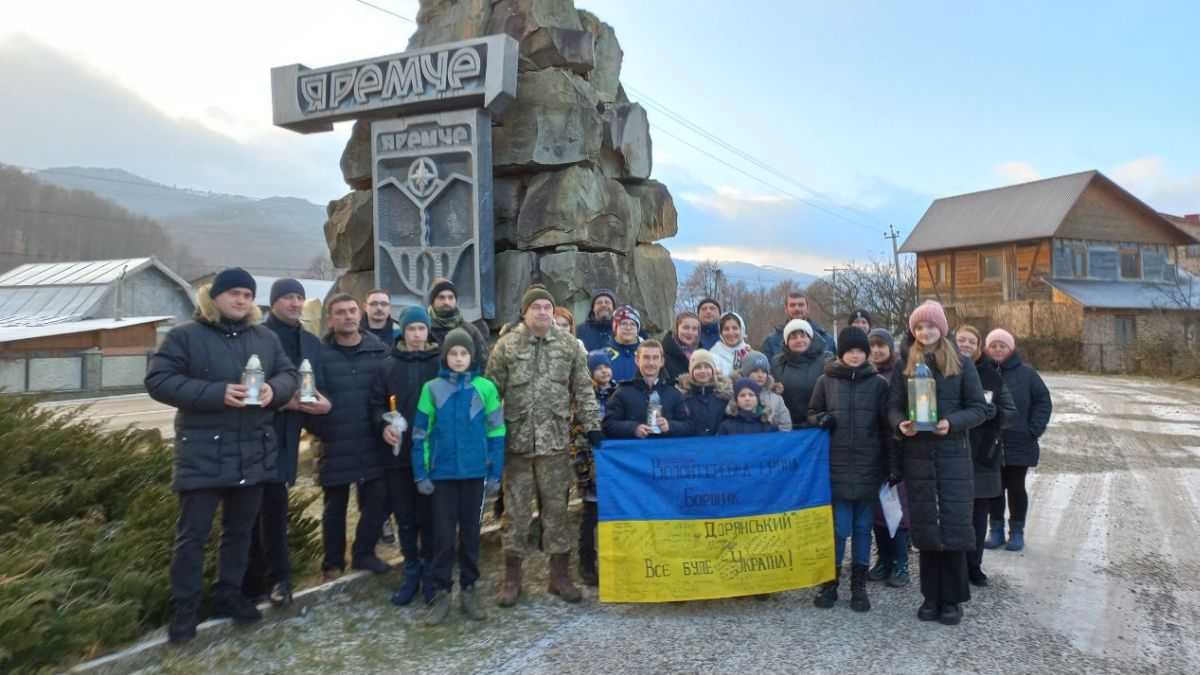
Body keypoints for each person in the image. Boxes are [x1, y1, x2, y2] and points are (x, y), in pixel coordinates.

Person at [145, 268, 298, 645]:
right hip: (203, 452)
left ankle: (228, 593)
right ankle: (185, 607)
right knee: (192, 536)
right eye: (234, 293)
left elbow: (289, 375)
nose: (241, 300)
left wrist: (274, 392)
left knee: (240, 532)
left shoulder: (264, 337)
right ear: (214, 297)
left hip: (252, 451)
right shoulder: (185, 337)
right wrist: (215, 393)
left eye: (247, 294)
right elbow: (158, 380)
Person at [487, 287, 603, 606]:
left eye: (547, 307)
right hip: (517, 446)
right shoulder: (507, 346)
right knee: (516, 514)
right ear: (525, 312)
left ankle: (559, 576)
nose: (542, 311)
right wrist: (489, 434)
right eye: (535, 306)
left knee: (556, 512)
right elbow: (491, 392)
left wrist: (593, 426)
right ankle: (512, 579)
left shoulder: (568, 347)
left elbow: (583, 389)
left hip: (554, 444)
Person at [888, 301, 988, 626]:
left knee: (955, 526)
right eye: (919, 327)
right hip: (918, 456)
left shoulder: (960, 362)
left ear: (941, 329)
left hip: (953, 456)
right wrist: (901, 423)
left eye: (930, 326)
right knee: (927, 527)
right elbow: (892, 407)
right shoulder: (905, 363)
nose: (924, 332)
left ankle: (953, 599)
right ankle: (930, 596)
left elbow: (978, 408)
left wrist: (951, 422)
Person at [242, 278, 327, 609]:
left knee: (276, 509)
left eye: (299, 297)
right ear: (273, 301)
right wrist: (282, 401)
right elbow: (250, 383)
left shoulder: (310, 341)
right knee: (250, 512)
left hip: (289, 434)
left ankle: (277, 580)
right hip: (256, 433)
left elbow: (314, 385)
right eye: (288, 297)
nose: (295, 303)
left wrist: (322, 407)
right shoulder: (257, 336)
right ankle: (255, 583)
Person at [412, 328, 506, 626]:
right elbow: (420, 434)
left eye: (463, 353)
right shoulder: (432, 389)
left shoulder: (486, 388)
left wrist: (494, 472)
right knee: (442, 536)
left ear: (472, 356)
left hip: (475, 474)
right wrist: (420, 473)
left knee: (470, 535)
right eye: (453, 353)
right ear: (446, 356)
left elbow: (497, 432)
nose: (458, 358)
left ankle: (468, 589)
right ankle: (442, 593)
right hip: (442, 476)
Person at [807, 327, 897, 613]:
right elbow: (811, 413)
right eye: (850, 350)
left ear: (867, 354)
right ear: (842, 353)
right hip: (837, 466)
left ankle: (858, 584)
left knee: (862, 528)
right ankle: (830, 581)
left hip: (869, 466)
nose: (855, 355)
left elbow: (887, 429)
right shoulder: (825, 381)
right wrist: (821, 419)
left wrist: (892, 465)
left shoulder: (879, 384)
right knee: (839, 527)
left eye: (860, 350)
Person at [306, 294, 392, 579]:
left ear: (360, 314)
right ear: (330, 319)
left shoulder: (378, 350)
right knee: (334, 508)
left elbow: (386, 396)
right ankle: (332, 563)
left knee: (378, 501)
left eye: (353, 310)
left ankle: (364, 553)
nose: (348, 316)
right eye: (341, 312)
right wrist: (322, 432)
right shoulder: (318, 355)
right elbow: (308, 400)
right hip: (335, 442)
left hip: (371, 442)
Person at [369, 305, 441, 607]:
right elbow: (375, 404)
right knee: (405, 516)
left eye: (421, 329)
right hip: (398, 456)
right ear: (403, 332)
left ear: (427, 332)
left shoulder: (440, 364)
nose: (415, 335)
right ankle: (411, 568)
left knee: (432, 516)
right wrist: (383, 424)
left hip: (431, 455)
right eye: (411, 329)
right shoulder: (387, 366)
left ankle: (431, 571)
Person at [956, 325, 1018, 586]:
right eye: (962, 340)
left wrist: (997, 414)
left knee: (979, 512)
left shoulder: (992, 376)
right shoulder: (945, 368)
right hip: (954, 451)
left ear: (979, 345)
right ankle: (955, 564)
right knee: (956, 511)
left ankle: (974, 565)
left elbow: (1011, 412)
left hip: (983, 453)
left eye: (972, 341)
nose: (966, 345)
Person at [983, 329, 1052, 553]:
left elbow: (1043, 401)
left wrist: (1032, 430)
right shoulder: (981, 373)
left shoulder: (1027, 374)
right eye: (994, 346)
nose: (998, 349)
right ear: (986, 349)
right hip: (989, 443)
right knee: (993, 489)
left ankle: (1017, 532)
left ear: (1011, 348)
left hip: (1019, 442)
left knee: (1015, 488)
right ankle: (995, 530)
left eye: (1003, 345)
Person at [864, 328, 911, 588]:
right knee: (877, 512)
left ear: (890, 348)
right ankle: (883, 559)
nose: (876, 350)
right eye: (871, 346)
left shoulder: (899, 373)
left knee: (897, 509)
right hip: (871, 451)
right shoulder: (863, 375)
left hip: (895, 448)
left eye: (881, 345)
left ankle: (900, 561)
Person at [574, 350, 619, 586]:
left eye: (606, 366)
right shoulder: (583, 396)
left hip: (616, 466)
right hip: (591, 464)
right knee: (590, 516)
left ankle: (615, 562)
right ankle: (586, 564)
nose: (604, 371)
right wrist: (582, 469)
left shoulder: (619, 391)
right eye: (598, 367)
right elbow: (576, 433)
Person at [603, 340, 693, 439]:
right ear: (637, 360)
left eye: (655, 358)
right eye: (646, 357)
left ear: (662, 361)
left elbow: (688, 426)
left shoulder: (674, 393)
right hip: (635, 452)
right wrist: (633, 428)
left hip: (665, 452)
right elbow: (608, 425)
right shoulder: (623, 392)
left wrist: (670, 426)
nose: (651, 363)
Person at [771, 319, 834, 428]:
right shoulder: (777, 363)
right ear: (787, 342)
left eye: (803, 336)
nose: (799, 340)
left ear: (810, 338)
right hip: (789, 428)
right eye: (793, 337)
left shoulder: (827, 359)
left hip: (819, 427)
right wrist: (773, 389)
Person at [426, 277, 490, 370]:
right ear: (432, 301)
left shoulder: (470, 331)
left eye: (450, 297)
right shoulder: (424, 330)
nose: (446, 302)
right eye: (441, 297)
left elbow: (483, 364)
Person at [760, 291, 835, 361]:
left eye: (801, 305)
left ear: (808, 308)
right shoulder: (771, 342)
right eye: (792, 305)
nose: (797, 308)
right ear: (786, 309)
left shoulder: (826, 339)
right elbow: (767, 372)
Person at [676, 349, 732, 436]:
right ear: (691, 371)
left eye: (707, 367)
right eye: (698, 367)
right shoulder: (682, 396)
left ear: (712, 370)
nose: (703, 371)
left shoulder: (724, 395)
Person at [739, 351, 793, 431]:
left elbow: (786, 427)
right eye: (755, 371)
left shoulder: (777, 399)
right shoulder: (736, 397)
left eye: (764, 371)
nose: (760, 375)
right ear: (745, 373)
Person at [605, 304, 643, 383]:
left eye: (633, 324)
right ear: (615, 327)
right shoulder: (604, 355)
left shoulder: (647, 354)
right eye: (623, 324)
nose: (628, 328)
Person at [661, 311, 701, 384]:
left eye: (694, 329)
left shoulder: (702, 352)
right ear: (676, 329)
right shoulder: (663, 353)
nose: (690, 332)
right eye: (686, 328)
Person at [710, 312, 750, 377]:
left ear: (742, 330)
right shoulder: (712, 356)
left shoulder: (749, 353)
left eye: (735, 328)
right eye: (726, 329)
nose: (731, 333)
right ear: (721, 333)